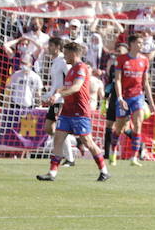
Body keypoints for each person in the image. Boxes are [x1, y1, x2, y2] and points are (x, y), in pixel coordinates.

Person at [35, 40, 108, 181]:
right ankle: (52, 173)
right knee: (58, 139)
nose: (65, 56)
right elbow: (64, 86)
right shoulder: (71, 69)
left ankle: (104, 170)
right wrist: (56, 94)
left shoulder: (81, 68)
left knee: (88, 142)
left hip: (80, 111)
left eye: (67, 53)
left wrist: (59, 94)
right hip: (67, 111)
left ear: (74, 54)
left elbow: (76, 87)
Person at [112, 37, 154, 165]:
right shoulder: (122, 59)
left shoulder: (144, 60)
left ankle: (134, 157)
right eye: (138, 42)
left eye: (142, 42)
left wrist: (151, 103)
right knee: (119, 128)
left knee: (137, 125)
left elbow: (145, 82)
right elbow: (118, 80)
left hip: (138, 97)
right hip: (124, 97)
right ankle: (112, 152)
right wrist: (119, 97)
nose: (141, 44)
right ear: (131, 44)